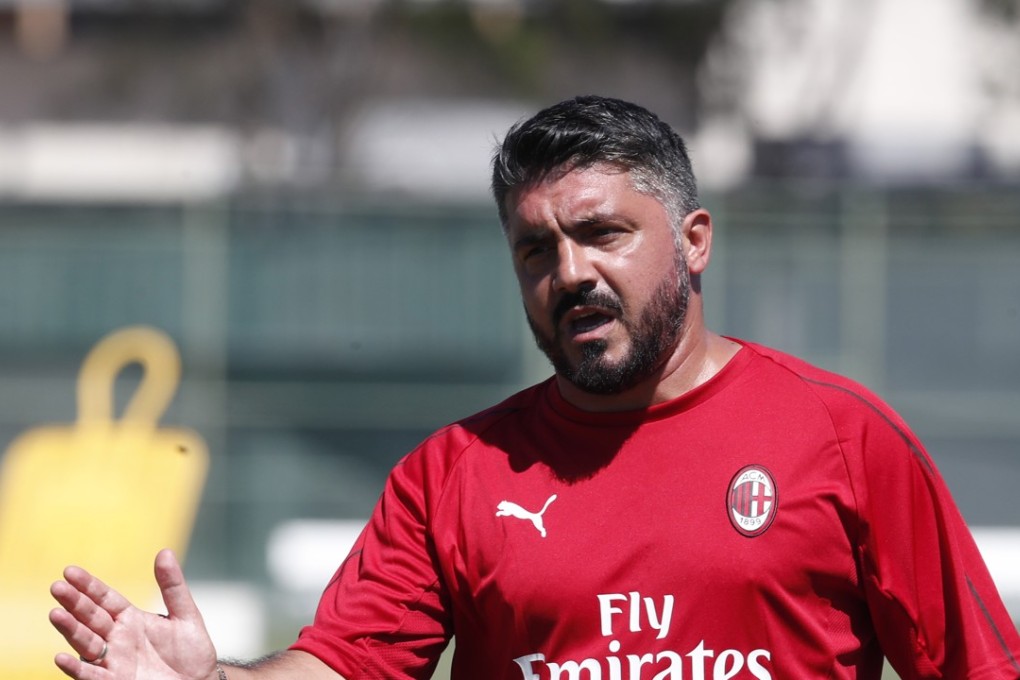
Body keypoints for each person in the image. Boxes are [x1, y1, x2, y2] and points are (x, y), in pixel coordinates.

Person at [50, 95, 1020, 680]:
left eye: (602, 233)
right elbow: (345, 663)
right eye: (535, 249)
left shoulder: (843, 439)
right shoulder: (455, 471)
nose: (570, 273)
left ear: (694, 241)